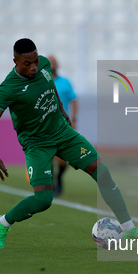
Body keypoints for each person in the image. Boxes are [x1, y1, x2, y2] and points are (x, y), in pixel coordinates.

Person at [0, 38, 138, 249]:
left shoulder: (44, 65)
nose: (34, 67)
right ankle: (2, 223)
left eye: (36, 61)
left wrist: (62, 109)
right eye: (27, 63)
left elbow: (50, 87)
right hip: (37, 144)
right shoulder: (9, 88)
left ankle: (130, 230)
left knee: (102, 172)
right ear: (15, 61)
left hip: (63, 133)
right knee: (43, 200)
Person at [47, 55, 78, 197]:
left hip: (63, 124)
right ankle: (53, 184)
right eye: (49, 62)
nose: (51, 65)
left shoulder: (65, 82)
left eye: (53, 62)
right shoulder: (41, 82)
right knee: (50, 155)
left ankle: (59, 177)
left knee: (64, 157)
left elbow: (74, 100)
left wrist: (74, 119)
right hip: (46, 125)